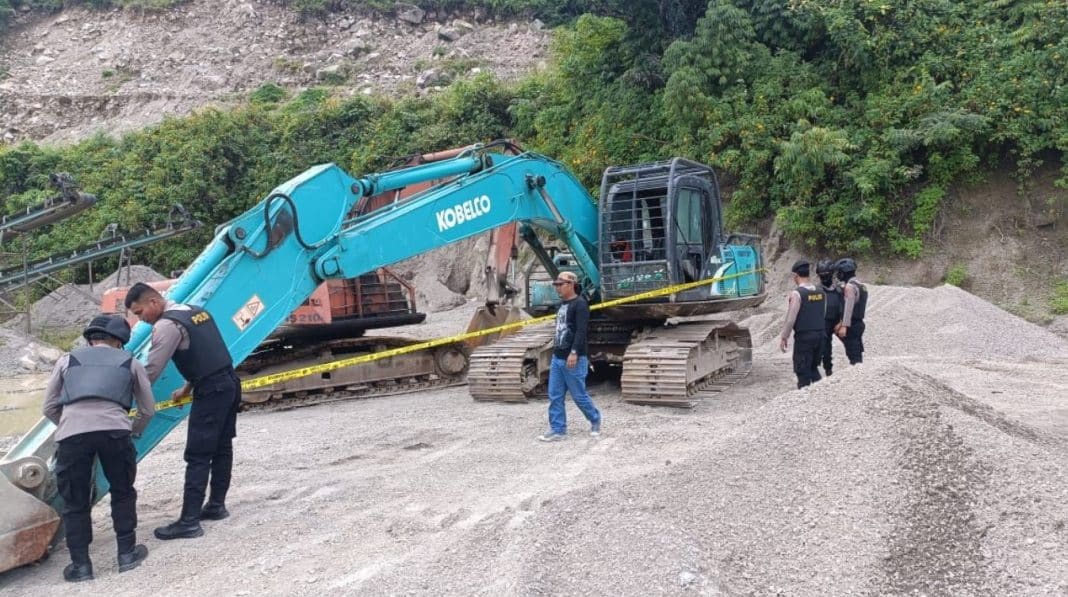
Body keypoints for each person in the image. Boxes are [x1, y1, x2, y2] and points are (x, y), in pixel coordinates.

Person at [123, 282, 240, 540]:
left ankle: (188, 522)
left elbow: (151, 371)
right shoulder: (195, 311)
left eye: (140, 313)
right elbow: (208, 353)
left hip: (211, 392)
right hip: (229, 382)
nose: (141, 320)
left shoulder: (166, 326)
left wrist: (123, 396)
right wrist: (188, 386)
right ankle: (216, 505)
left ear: (154, 302)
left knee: (197, 455)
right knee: (222, 447)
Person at [43, 315, 154, 582]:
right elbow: (148, 409)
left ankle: (81, 566)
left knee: (75, 501)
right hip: (115, 432)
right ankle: (127, 555)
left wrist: (72, 425)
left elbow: (48, 407)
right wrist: (133, 429)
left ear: (90, 339)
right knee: (122, 491)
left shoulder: (67, 360)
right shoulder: (131, 362)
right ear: (118, 341)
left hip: (72, 436)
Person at [537, 271, 602, 442]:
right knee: (555, 395)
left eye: (560, 284)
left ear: (571, 284)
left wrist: (574, 352)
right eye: (556, 284)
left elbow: (581, 332)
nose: (557, 287)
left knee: (578, 396)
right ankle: (558, 429)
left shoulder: (580, 305)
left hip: (574, 358)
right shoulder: (561, 305)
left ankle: (595, 418)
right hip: (558, 358)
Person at [779, 260, 826, 389]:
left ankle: (803, 398)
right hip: (821, 336)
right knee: (813, 368)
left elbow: (791, 318)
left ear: (796, 276)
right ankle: (821, 393)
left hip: (804, 338)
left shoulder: (797, 294)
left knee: (802, 370)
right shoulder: (820, 291)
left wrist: (784, 336)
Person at [834, 257, 867, 364]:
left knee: (854, 355)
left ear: (843, 273)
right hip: (859, 323)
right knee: (856, 352)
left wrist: (844, 325)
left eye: (839, 272)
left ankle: (858, 375)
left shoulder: (849, 287)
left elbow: (848, 307)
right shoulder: (862, 286)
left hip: (851, 325)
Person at [816, 259, 843, 377]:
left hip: (838, 322)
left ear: (831, 274)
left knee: (852, 343)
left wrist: (842, 322)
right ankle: (828, 370)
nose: (823, 278)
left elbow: (845, 306)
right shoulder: (817, 291)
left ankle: (857, 365)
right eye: (821, 276)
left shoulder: (839, 289)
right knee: (825, 349)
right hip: (823, 323)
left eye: (826, 275)